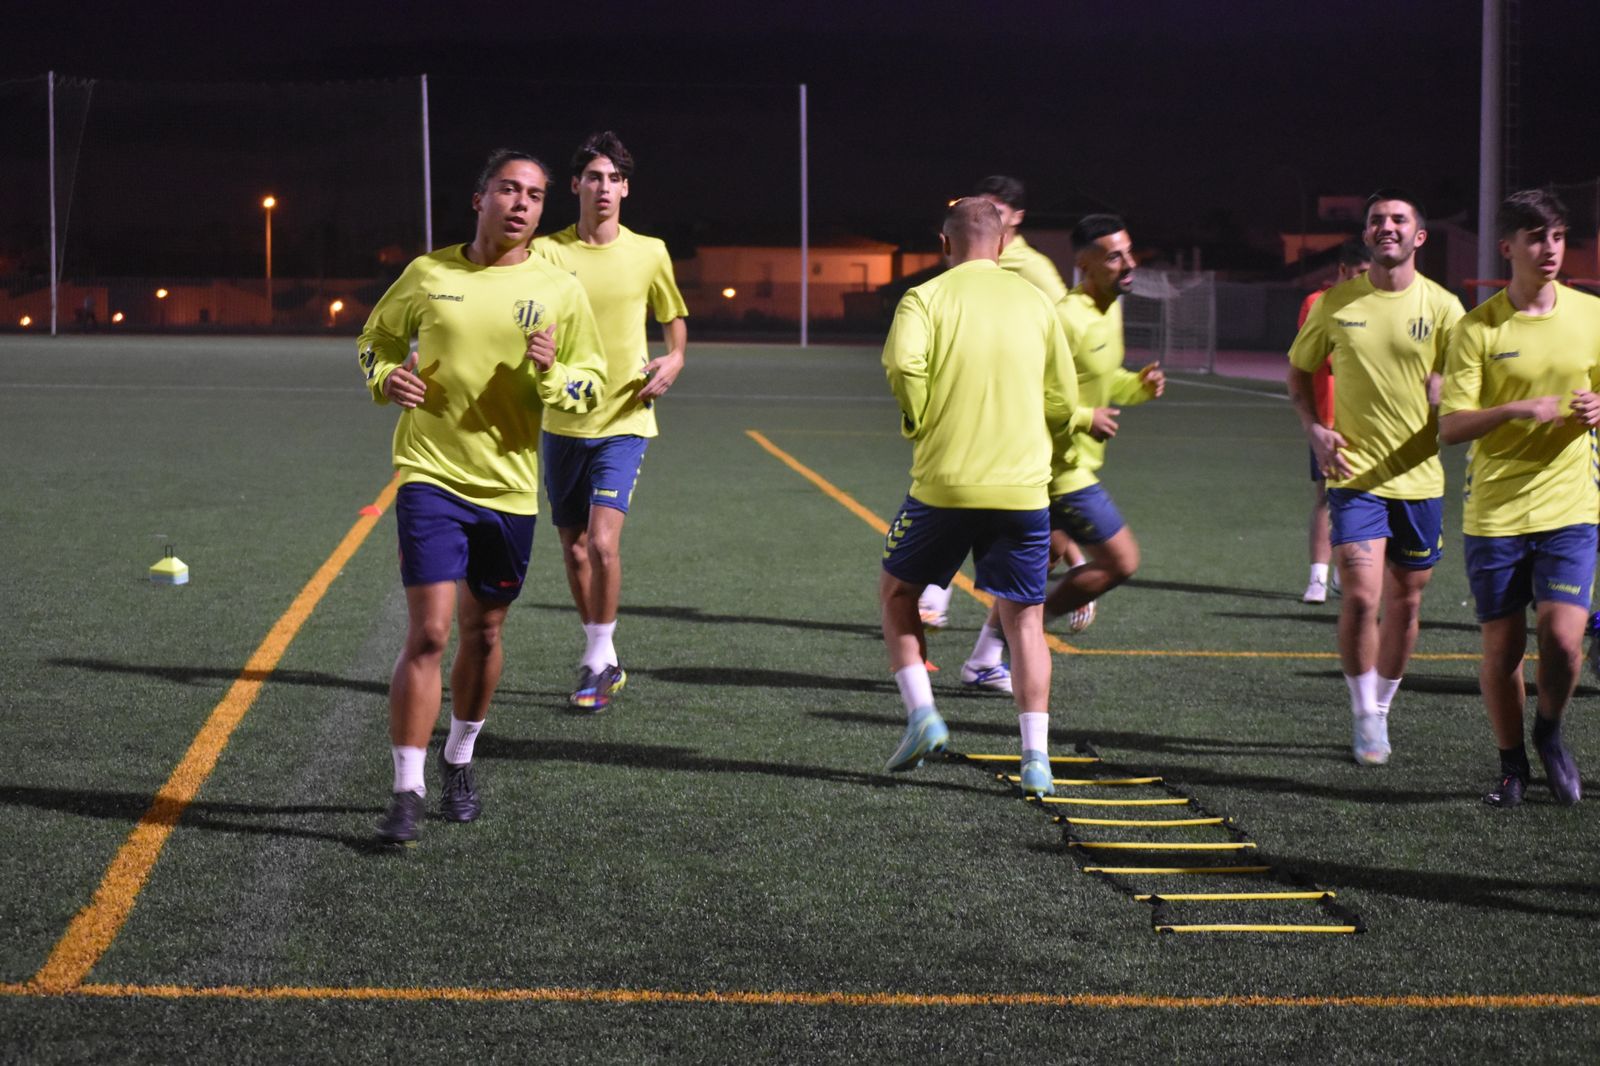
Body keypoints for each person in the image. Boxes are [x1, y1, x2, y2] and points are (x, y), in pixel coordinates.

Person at [357, 149, 607, 844]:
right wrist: (385, 378)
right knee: (431, 631)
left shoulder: (559, 289)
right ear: (480, 199)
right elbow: (375, 340)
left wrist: (554, 375)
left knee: (486, 632)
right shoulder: (428, 274)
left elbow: (591, 383)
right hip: (430, 475)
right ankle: (407, 789)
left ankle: (459, 757)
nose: (522, 203)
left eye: (534, 194)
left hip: (510, 490)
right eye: (508, 189)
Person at [878, 198, 1083, 797]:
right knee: (1026, 621)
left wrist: (919, 418)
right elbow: (1064, 401)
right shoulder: (1036, 302)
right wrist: (1048, 452)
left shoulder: (924, 297)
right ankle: (1037, 759)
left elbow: (902, 365)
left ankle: (923, 715)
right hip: (1022, 488)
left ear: (944, 244)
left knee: (898, 594)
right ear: (1002, 243)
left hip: (945, 483)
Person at [1287, 189, 1464, 766]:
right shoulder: (1335, 304)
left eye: (1398, 219)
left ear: (1419, 236)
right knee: (1362, 598)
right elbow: (1298, 371)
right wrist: (1315, 428)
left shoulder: (1444, 307)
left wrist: (1448, 389)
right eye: (1376, 220)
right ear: (1366, 235)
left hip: (1419, 480)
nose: (1386, 226)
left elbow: (1469, 381)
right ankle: (1363, 711)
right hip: (1355, 474)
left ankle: (1382, 707)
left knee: (1406, 603)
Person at [1438, 188, 1600, 808]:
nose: (1550, 248)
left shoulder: (1590, 315)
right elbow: (1451, 427)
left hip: (1570, 506)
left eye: (1557, 236)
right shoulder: (1477, 328)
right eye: (1536, 238)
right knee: (1504, 649)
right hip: (1497, 511)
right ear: (1507, 247)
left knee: (1562, 642)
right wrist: (1513, 409)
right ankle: (1512, 766)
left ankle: (1549, 733)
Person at [959, 213, 1163, 692]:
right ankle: (1024, 632)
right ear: (1085, 264)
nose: (1129, 263)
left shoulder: (1110, 309)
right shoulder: (1066, 319)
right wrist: (1083, 418)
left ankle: (984, 659)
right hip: (1057, 470)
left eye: (1129, 252)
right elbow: (1023, 388)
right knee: (1120, 562)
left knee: (1037, 564)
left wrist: (1136, 387)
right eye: (1114, 256)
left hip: (1070, 463)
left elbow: (1099, 381)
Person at [531, 132, 689, 711]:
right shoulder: (544, 253)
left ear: (626, 189)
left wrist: (675, 358)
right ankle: (604, 650)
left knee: (601, 543)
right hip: (562, 419)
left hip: (625, 416)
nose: (604, 187)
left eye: (614, 178)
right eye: (594, 177)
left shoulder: (650, 252)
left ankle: (596, 663)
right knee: (574, 550)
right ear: (575, 185)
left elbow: (673, 317)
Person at [917, 174, 1072, 632]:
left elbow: (1065, 333)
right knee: (978, 503)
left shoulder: (1034, 271)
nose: (984, 220)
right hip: (981, 408)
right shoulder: (966, 266)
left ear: (1016, 218)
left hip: (1023, 414)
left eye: (997, 211)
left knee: (1021, 526)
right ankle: (944, 602)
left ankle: (992, 639)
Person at [1298, 240, 1373, 604]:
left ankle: (1346, 571)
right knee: (1326, 497)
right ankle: (1317, 577)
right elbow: (1317, 357)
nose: (1366, 280)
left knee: (1362, 498)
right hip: (1328, 418)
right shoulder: (1317, 303)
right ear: (1343, 270)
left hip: (1367, 419)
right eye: (1361, 273)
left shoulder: (1376, 306)